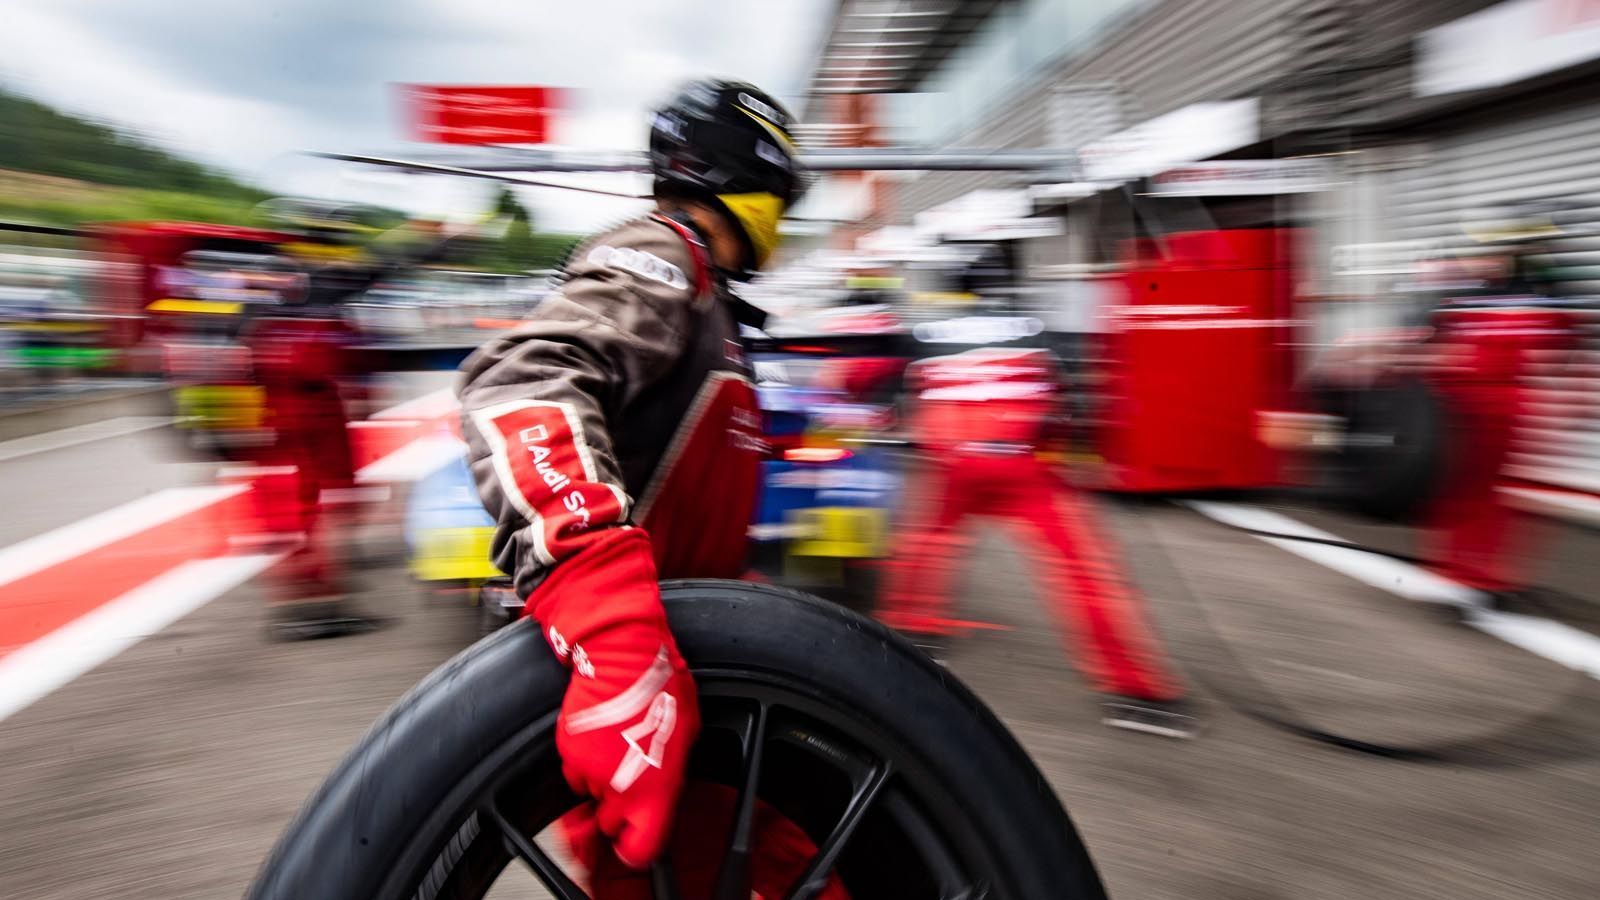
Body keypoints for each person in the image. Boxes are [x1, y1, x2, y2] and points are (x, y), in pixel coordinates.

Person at [457, 80, 807, 879]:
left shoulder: (710, 300)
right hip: (635, 687)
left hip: (706, 678)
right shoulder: (661, 255)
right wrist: (613, 632)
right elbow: (522, 383)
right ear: (752, 177)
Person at [878, 347, 1195, 738]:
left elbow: (906, 415)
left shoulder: (934, 354)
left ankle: (910, 634)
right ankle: (1138, 693)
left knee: (927, 544)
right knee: (1082, 571)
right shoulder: (1041, 353)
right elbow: (1070, 417)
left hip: (956, 460)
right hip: (1021, 463)